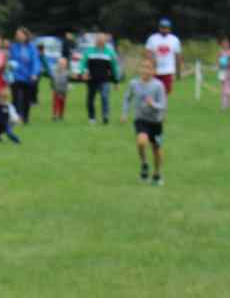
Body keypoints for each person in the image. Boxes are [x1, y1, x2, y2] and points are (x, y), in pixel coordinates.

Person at [121, 57, 168, 186]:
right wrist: (124, 114)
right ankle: (144, 163)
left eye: (148, 68)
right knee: (141, 141)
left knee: (157, 149)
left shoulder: (158, 85)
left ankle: (157, 173)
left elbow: (163, 105)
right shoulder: (133, 84)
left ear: (154, 71)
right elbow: (127, 98)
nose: (145, 70)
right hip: (141, 120)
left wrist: (153, 104)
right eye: (143, 67)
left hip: (156, 122)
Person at [78, 33, 120, 125]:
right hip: (91, 79)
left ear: (105, 41)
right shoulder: (89, 51)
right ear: (95, 41)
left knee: (104, 97)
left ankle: (105, 116)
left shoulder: (110, 52)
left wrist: (116, 81)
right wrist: (82, 72)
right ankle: (92, 117)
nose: (100, 42)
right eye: (98, 40)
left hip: (105, 79)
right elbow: (82, 63)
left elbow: (114, 67)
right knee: (90, 98)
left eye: (102, 40)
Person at [8, 27, 39, 124]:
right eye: (17, 35)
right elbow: (11, 59)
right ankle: (16, 117)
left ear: (26, 36)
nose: (18, 36)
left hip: (28, 76)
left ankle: (25, 117)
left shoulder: (32, 47)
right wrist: (10, 65)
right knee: (16, 98)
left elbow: (35, 61)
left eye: (20, 34)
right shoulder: (13, 47)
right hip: (16, 76)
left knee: (26, 98)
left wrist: (34, 73)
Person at [145, 17, 183, 95]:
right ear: (159, 28)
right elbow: (148, 54)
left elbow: (178, 56)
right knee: (154, 91)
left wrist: (178, 71)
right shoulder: (152, 39)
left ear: (169, 29)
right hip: (155, 71)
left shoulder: (174, 40)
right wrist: (150, 66)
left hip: (168, 70)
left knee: (166, 92)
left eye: (166, 28)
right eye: (162, 28)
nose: (164, 30)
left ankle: (162, 102)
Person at [51, 56, 70, 121]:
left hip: (63, 90)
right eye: (61, 64)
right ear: (58, 64)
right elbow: (55, 81)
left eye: (64, 64)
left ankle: (61, 115)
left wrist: (67, 87)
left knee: (62, 103)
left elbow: (67, 81)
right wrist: (57, 90)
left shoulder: (66, 72)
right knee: (56, 103)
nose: (62, 65)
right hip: (56, 89)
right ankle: (54, 115)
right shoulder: (55, 71)